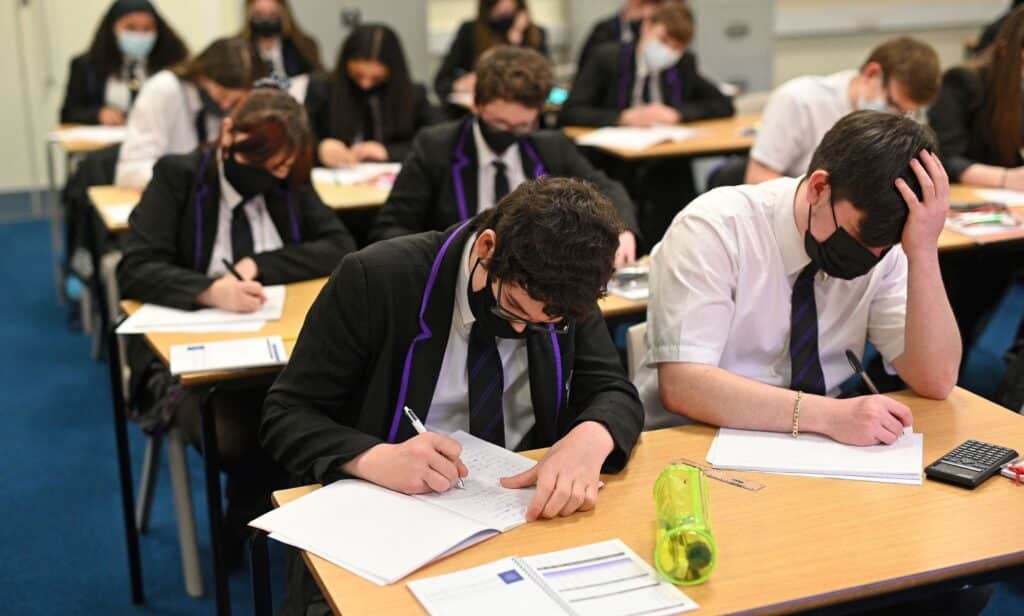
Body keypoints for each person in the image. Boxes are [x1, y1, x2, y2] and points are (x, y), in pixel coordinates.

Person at [261, 176, 644, 615]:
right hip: (393, 517)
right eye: (512, 308)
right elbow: (285, 413)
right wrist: (373, 458)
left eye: (545, 324)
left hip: (519, 517)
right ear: (487, 248)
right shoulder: (379, 278)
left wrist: (590, 437)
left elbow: (613, 389)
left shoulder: (562, 293)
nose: (521, 329)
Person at [117, 83, 356, 564]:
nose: (268, 175)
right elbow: (136, 268)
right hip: (190, 358)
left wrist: (259, 265)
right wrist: (209, 290)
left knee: (332, 406)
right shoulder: (179, 176)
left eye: (280, 168)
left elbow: (339, 246)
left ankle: (257, 517)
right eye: (257, 162)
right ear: (228, 133)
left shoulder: (287, 175)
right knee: (244, 430)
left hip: (276, 347)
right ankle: (252, 516)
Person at [638, 111, 962, 436]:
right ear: (818, 189)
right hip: (697, 436)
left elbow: (936, 380)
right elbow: (684, 385)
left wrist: (923, 251)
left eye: (886, 246)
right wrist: (830, 416)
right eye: (858, 238)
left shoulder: (885, 244)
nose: (872, 257)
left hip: (818, 437)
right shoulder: (714, 229)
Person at [373, 46, 639, 267]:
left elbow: (606, 189)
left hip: (536, 275)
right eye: (499, 123)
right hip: (456, 273)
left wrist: (622, 230)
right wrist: (437, 262)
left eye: (522, 126)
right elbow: (393, 227)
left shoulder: (550, 146)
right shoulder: (436, 147)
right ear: (476, 104)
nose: (509, 134)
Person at [559, 1, 733, 247]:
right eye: (664, 40)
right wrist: (622, 117)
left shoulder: (684, 64)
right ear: (647, 26)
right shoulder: (607, 58)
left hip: (665, 163)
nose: (668, 50)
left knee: (674, 194)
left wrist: (676, 114)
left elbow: (722, 104)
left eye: (677, 46)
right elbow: (571, 112)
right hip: (614, 163)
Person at [745, 37, 940, 184]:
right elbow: (757, 177)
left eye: (906, 112)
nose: (896, 117)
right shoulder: (799, 100)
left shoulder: (905, 116)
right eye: (892, 103)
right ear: (872, 73)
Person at [115, 37, 266, 189]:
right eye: (223, 95)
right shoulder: (164, 89)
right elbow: (130, 171)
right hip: (167, 192)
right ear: (202, 76)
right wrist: (188, 181)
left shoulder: (245, 105)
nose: (226, 106)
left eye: (236, 102)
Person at [305, 24, 443, 167]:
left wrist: (389, 152)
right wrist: (319, 149)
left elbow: (439, 140)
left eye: (377, 79)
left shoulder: (414, 95)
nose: (365, 85)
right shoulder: (322, 89)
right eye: (357, 76)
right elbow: (300, 137)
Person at [929, 6, 1024, 189]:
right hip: (972, 192)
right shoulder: (962, 81)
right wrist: (1005, 178)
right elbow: (945, 156)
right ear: (1004, 50)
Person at [60, 0, 187, 126]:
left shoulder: (175, 64)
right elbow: (69, 114)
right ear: (112, 28)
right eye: (130, 27)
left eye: (147, 28)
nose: (140, 35)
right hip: (108, 136)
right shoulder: (86, 66)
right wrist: (98, 114)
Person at [434, 0, 548, 104]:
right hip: (481, 106)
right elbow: (442, 82)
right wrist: (458, 85)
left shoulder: (534, 34)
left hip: (525, 106)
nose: (505, 6)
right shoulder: (470, 31)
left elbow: (546, 81)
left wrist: (517, 38)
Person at [576, 0, 665, 77]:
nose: (647, 12)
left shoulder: (661, 33)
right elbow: (585, 68)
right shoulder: (604, 29)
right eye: (643, 5)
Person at [241, 0, 323, 78]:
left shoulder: (303, 45)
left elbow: (319, 78)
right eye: (259, 15)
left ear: (283, 15)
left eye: (273, 15)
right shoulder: (239, 48)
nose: (266, 20)